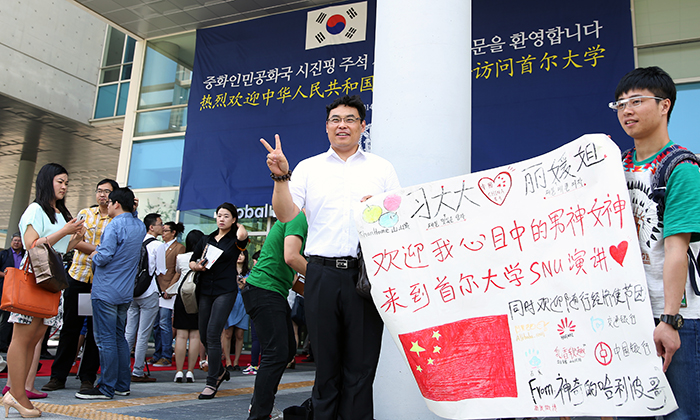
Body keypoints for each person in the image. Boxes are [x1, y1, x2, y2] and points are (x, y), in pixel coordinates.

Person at [260, 95, 401, 420]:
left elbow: (396, 220)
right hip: (321, 275)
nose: (343, 125)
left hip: (365, 278)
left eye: (350, 119)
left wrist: (379, 208)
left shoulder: (382, 168)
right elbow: (285, 215)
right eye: (336, 119)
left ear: (362, 126)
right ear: (327, 127)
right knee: (326, 371)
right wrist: (281, 176)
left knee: (361, 371)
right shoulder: (309, 168)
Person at [613, 66, 700, 420]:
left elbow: (677, 249)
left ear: (664, 106)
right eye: (619, 104)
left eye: (636, 101)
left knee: (681, 413)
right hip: (627, 315)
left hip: (677, 317)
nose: (626, 110)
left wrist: (670, 320)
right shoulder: (612, 167)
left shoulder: (682, 167)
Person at [2, 163, 85, 417]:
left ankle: (14, 392)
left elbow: (59, 248)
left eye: (66, 183)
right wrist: (65, 230)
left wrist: (74, 236)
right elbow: (33, 244)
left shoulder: (56, 213)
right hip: (33, 275)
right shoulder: (35, 209)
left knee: (35, 337)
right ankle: (16, 394)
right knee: (23, 337)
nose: (64, 187)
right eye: (60, 181)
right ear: (47, 181)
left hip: (51, 277)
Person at [42, 179, 120, 395]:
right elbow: (74, 241)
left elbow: (116, 249)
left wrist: (97, 251)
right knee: (70, 328)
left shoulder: (117, 219)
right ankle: (58, 376)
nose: (102, 195)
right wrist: (101, 252)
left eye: (107, 192)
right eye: (99, 191)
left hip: (101, 282)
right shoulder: (86, 213)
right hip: (78, 277)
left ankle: (87, 378)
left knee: (97, 333)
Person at [77, 187, 146, 399]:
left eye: (109, 202)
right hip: (125, 292)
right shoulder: (140, 226)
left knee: (105, 340)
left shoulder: (114, 225)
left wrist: (94, 253)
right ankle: (122, 384)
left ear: (116, 203)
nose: (106, 205)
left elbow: (103, 257)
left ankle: (106, 387)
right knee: (119, 338)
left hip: (106, 289)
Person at [242, 211, 308, 420]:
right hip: (264, 290)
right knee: (276, 352)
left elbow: (292, 276)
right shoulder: (298, 217)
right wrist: (324, 279)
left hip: (271, 290)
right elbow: (291, 258)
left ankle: (260, 406)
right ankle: (259, 414)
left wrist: (318, 294)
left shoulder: (297, 221)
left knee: (287, 349)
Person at [189, 202, 248, 399]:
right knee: (205, 336)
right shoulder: (206, 239)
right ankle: (221, 371)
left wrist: (240, 228)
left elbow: (243, 239)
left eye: (226, 216)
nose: (221, 219)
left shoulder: (235, 242)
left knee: (214, 333)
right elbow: (192, 260)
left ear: (233, 219)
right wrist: (197, 266)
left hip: (225, 291)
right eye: (219, 215)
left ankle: (211, 382)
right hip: (205, 289)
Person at [125, 213, 163, 383]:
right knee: (143, 334)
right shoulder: (158, 245)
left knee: (129, 332)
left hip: (132, 290)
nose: (163, 227)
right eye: (160, 224)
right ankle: (138, 371)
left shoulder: (135, 242)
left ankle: (123, 368)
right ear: (151, 227)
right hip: (149, 291)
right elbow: (161, 271)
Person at [150, 222, 185, 367]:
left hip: (168, 290)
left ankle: (166, 355)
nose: (163, 233)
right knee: (156, 324)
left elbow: (178, 270)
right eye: (162, 230)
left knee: (165, 323)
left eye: (166, 231)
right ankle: (157, 353)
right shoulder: (158, 246)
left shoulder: (179, 247)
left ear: (173, 232)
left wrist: (170, 289)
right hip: (155, 289)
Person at [172, 230, 205, 384]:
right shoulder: (205, 259)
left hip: (182, 297)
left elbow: (178, 272)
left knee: (181, 335)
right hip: (198, 298)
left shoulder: (181, 258)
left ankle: (179, 372)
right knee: (194, 336)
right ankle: (190, 372)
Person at [221, 250, 250, 372]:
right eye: (238, 253)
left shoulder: (249, 272)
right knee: (227, 333)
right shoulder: (228, 269)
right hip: (230, 300)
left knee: (240, 334)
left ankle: (236, 361)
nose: (239, 256)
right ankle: (228, 361)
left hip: (243, 302)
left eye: (242, 254)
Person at [0, 233, 25, 352]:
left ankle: (5, 343)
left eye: (19, 241)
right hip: (4, 288)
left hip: (19, 291)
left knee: (10, 318)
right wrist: (6, 275)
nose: (16, 243)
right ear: (11, 241)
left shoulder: (26, 255)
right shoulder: (3, 254)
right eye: (15, 240)